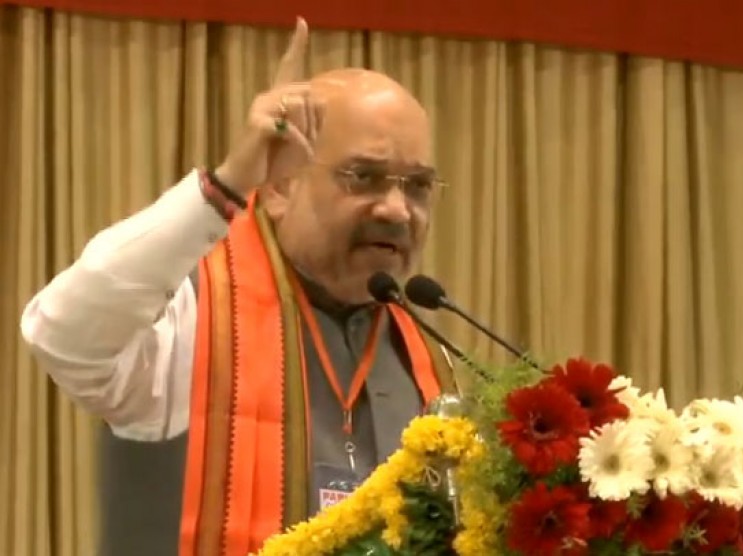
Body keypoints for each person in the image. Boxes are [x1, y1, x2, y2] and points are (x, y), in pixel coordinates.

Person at [20, 17, 457, 556]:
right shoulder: (194, 316)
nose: (397, 209)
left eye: (417, 186)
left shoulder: (428, 360)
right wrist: (226, 184)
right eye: (362, 177)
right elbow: (60, 334)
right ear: (279, 187)